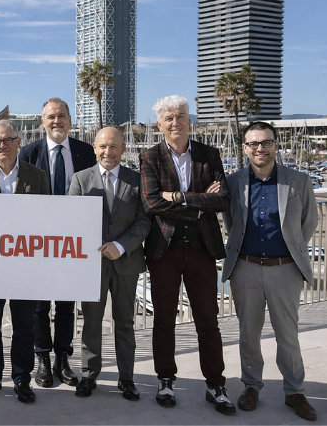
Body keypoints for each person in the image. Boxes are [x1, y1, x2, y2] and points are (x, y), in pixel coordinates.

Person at [139, 95, 234, 414]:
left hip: (201, 250)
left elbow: (223, 199)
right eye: (169, 118)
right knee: (164, 320)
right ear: (159, 124)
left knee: (208, 320)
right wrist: (198, 206)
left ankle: (216, 384)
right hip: (163, 251)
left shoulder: (209, 154)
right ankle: (165, 379)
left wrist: (180, 197)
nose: (175, 122)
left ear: (189, 119)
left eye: (180, 116)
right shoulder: (150, 156)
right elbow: (152, 202)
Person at [221, 121, 318, 421]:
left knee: (287, 334)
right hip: (245, 268)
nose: (260, 148)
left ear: (276, 145)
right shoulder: (233, 182)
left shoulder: (299, 181)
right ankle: (251, 386)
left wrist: (289, 252)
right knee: (248, 333)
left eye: (266, 142)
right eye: (253, 143)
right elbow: (231, 223)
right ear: (244, 148)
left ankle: (295, 391)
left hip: (284, 269)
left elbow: (308, 223)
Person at [0, 119, 50, 404]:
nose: (2, 146)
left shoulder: (37, 176)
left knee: (24, 326)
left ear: (18, 142)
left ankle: (22, 379)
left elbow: (46, 217)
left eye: (7, 140)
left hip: (24, 264)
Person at [18, 97, 95, 388]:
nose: (56, 121)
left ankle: (63, 358)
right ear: (42, 122)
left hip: (73, 241)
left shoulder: (86, 152)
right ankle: (42, 358)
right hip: (38, 242)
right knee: (39, 306)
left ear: (70, 120)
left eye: (61, 115)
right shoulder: (28, 153)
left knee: (66, 305)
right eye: (50, 116)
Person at [69, 127, 150, 399]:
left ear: (123, 149)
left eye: (114, 146)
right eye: (103, 146)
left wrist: (120, 246)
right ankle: (88, 375)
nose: (108, 152)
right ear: (94, 148)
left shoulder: (137, 180)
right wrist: (100, 245)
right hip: (92, 264)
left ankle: (126, 379)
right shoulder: (80, 180)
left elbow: (144, 222)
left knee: (125, 323)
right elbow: (74, 219)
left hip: (126, 262)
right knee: (91, 323)